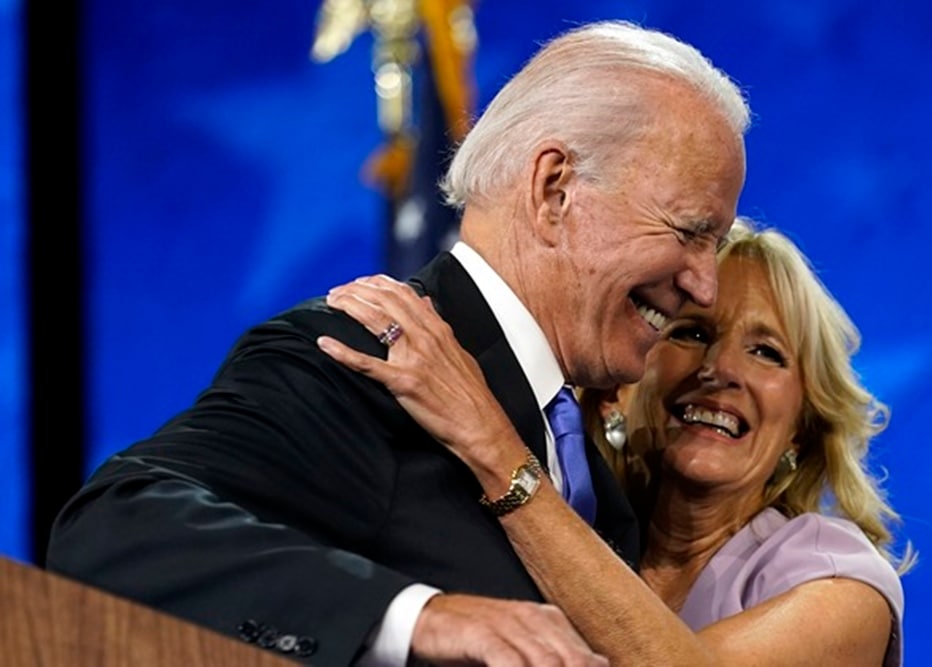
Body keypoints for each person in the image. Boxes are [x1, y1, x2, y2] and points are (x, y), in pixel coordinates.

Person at [46, 19, 748, 667]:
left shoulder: (589, 464)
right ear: (554, 188)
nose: (705, 287)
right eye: (690, 231)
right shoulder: (370, 354)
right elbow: (115, 527)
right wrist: (418, 617)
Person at [320, 218, 914, 666]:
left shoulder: (843, 583)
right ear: (622, 392)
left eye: (766, 352)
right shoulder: (575, 526)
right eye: (692, 333)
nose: (720, 368)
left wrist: (493, 448)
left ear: (802, 429)